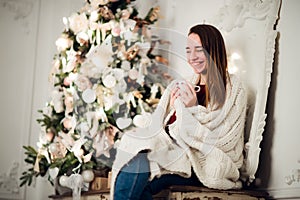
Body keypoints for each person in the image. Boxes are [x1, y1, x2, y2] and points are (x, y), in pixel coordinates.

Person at [110, 24, 247, 200]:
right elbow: (164, 126)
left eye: (199, 50)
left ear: (213, 50)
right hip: (172, 154)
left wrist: (190, 109)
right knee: (137, 157)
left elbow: (221, 138)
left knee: (139, 165)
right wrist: (170, 116)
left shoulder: (234, 88)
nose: (192, 57)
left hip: (199, 162)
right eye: (188, 51)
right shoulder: (185, 83)